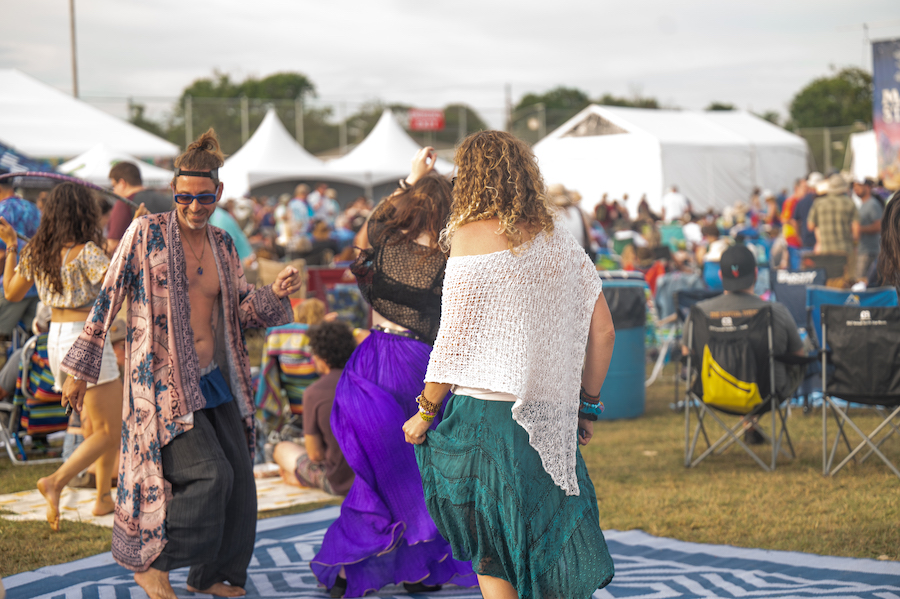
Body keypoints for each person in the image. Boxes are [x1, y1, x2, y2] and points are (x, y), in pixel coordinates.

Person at [59, 129, 301, 599]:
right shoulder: (145, 233)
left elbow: (240, 312)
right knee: (211, 475)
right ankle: (156, 564)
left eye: (204, 197)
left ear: (219, 192)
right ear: (173, 190)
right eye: (184, 196)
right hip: (162, 384)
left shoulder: (224, 245)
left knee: (240, 482)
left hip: (215, 379)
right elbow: (107, 298)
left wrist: (273, 294)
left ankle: (210, 575)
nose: (194, 206)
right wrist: (80, 372)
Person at [403, 130, 616, 599]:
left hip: (484, 419)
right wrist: (588, 406)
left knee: (494, 550)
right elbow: (603, 332)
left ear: (468, 179)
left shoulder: (468, 235)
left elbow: (453, 338)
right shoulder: (559, 239)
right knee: (545, 548)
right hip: (549, 419)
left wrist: (425, 411)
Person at [311, 147, 477, 598]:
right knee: (421, 474)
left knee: (377, 477)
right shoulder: (450, 257)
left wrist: (410, 178)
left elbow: (365, 232)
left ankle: (355, 567)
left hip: (370, 361)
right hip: (418, 367)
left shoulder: (384, 246)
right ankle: (417, 569)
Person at [0, 183, 122, 526]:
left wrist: (12, 246)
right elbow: (117, 287)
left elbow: (11, 292)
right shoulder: (87, 252)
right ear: (85, 213)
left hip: (54, 339)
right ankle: (56, 481)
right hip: (86, 338)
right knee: (110, 429)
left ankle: (103, 497)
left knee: (94, 424)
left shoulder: (37, 251)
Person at [683, 244, 805, 442]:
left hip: (712, 392)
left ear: (721, 276)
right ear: (756, 274)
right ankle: (750, 423)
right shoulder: (775, 311)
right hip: (767, 393)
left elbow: (687, 354)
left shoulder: (699, 313)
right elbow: (799, 355)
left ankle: (749, 424)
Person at [272, 320, 356, 495]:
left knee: (281, 449)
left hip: (340, 482)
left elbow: (315, 455)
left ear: (322, 358)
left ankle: (299, 478)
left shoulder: (314, 393)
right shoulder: (367, 381)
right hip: (374, 479)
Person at [0, 178, 41, 337]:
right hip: (35, 286)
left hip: (10, 285)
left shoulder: (2, 211)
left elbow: (1, 254)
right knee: (33, 339)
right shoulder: (32, 208)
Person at [807, 174, 859, 279]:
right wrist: (854, 244)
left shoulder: (818, 203)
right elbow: (856, 231)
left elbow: (810, 226)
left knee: (827, 280)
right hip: (846, 251)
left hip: (825, 250)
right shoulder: (850, 203)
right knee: (847, 281)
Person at [107, 162, 166, 254]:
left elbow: (112, 245)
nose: (114, 191)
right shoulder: (163, 199)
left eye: (114, 186)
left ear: (122, 183)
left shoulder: (123, 204)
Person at [854, 178, 882, 282]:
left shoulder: (872, 204)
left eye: (859, 186)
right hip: (863, 250)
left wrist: (858, 229)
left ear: (868, 187)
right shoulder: (862, 204)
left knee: (861, 281)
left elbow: (879, 226)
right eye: (854, 186)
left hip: (869, 251)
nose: (856, 188)